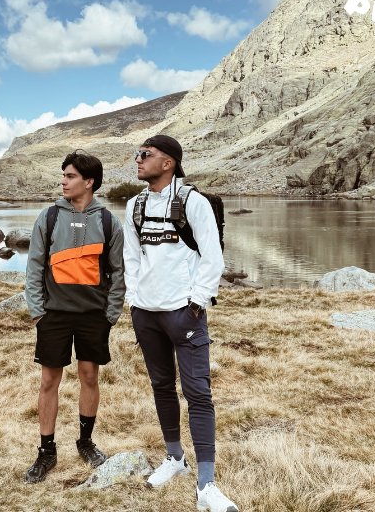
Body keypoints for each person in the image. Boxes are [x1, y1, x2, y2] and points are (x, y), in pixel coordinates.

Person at [124, 134, 237, 512]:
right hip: (146, 314)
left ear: (168, 163)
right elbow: (131, 258)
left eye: (146, 155)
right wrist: (134, 302)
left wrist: (196, 303)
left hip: (184, 314)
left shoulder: (194, 202)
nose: (138, 160)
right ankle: (175, 460)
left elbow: (212, 257)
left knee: (198, 394)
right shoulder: (134, 205)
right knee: (161, 386)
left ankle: (207, 486)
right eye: (138, 154)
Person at [24, 150, 124, 483]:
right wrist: (38, 311)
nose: (63, 181)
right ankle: (46, 451)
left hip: (93, 315)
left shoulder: (108, 221)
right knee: (49, 380)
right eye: (63, 175)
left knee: (89, 376)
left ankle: (85, 442)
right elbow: (35, 266)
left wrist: (110, 313)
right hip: (54, 315)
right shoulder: (49, 217)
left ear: (88, 181)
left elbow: (118, 272)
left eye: (70, 176)